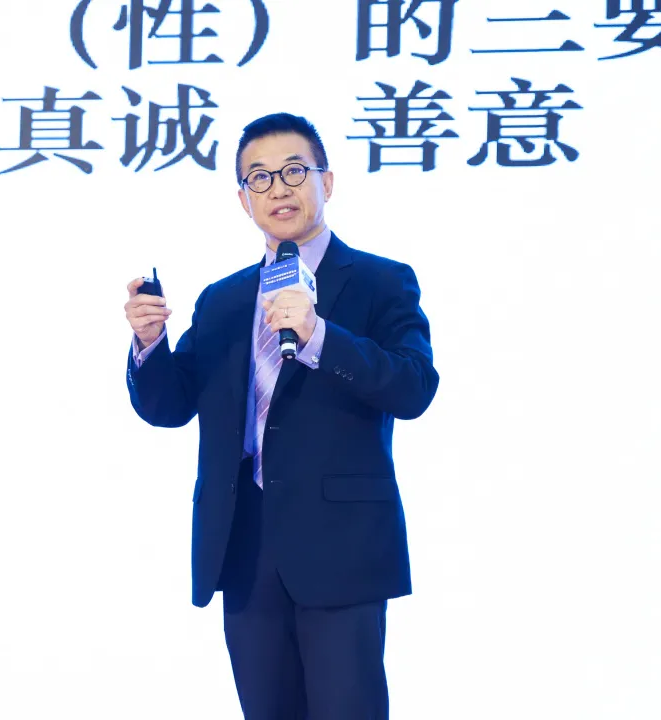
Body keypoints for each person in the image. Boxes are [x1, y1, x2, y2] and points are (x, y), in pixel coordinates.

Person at [123, 112, 439, 719]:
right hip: (242, 541)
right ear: (243, 200)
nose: (278, 189)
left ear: (327, 182)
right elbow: (169, 405)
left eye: (295, 171)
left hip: (341, 543)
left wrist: (319, 335)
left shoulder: (381, 281)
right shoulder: (223, 299)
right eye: (260, 178)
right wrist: (149, 344)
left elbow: (414, 387)